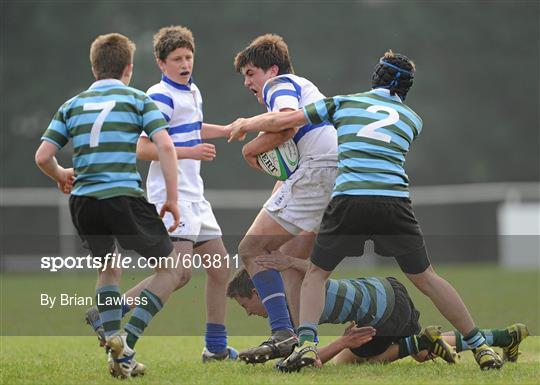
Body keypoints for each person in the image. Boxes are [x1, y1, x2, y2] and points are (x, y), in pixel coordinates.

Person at [228, 50, 505, 371]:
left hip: (349, 198)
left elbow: (283, 121)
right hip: (394, 201)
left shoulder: (345, 102)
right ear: (406, 89)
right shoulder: (414, 120)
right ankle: (480, 344)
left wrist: (246, 124)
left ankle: (305, 345)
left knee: (316, 275)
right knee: (427, 277)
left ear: (375, 77)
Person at [84, 25, 237, 362]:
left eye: (188, 56)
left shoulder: (193, 91)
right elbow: (142, 147)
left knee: (219, 267)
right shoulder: (158, 95)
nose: (185, 63)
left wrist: (225, 130)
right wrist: (189, 152)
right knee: (179, 273)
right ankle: (124, 340)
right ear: (160, 62)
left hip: (195, 196)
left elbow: (192, 129)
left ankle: (215, 347)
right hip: (171, 195)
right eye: (177, 59)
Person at [35, 33, 183, 379]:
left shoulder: (72, 105)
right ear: (128, 68)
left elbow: (43, 155)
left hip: (84, 200)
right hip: (123, 197)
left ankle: (118, 352)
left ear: (94, 67)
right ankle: (126, 341)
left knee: (109, 270)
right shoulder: (137, 100)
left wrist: (61, 174)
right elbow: (165, 146)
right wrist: (172, 198)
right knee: (172, 269)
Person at [230, 34, 339, 363]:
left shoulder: (281, 85)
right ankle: (302, 346)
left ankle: (282, 333)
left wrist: (249, 141)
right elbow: (287, 156)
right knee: (289, 264)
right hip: (332, 174)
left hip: (318, 171)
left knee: (250, 249)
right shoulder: (304, 87)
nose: (248, 82)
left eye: (251, 73)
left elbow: (285, 124)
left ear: (271, 70)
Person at [226, 254, 529, 368]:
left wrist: (342, 342)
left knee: (349, 360)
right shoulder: (295, 284)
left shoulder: (290, 308)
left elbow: (312, 361)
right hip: (386, 288)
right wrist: (291, 262)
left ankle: (421, 342)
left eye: (246, 306)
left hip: (382, 311)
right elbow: (317, 271)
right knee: (417, 354)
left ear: (258, 292)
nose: (249, 314)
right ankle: (504, 336)